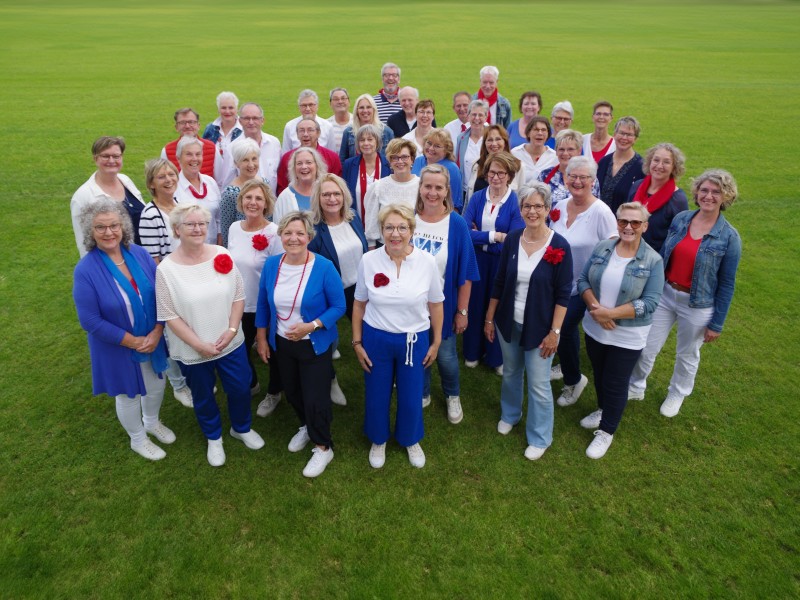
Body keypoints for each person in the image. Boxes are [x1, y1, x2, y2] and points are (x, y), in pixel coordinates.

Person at [156, 204, 265, 467]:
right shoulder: (166, 270)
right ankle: (213, 437)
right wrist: (198, 344)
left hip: (230, 341)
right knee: (203, 395)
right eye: (190, 224)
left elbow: (239, 296)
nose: (197, 229)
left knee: (240, 387)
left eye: (202, 224)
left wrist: (230, 331)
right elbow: (169, 315)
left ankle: (240, 427)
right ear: (176, 230)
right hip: (194, 348)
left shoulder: (221, 253)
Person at [629, 170, 742, 418]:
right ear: (696, 192)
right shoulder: (681, 219)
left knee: (687, 353)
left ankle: (677, 392)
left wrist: (717, 323)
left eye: (715, 192)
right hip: (667, 294)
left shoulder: (729, 237)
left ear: (725, 197)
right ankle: (636, 385)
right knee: (646, 346)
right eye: (704, 190)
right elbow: (664, 257)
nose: (708, 196)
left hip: (698, 304)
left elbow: (727, 283)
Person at [73, 199, 173, 461]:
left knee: (155, 386)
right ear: (90, 232)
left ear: (123, 226)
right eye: (100, 227)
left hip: (152, 337)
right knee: (128, 394)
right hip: (116, 345)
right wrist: (133, 341)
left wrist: (157, 331)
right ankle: (137, 439)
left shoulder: (139, 254)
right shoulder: (86, 270)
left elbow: (161, 295)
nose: (108, 232)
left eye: (114, 225)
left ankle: (152, 422)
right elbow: (90, 320)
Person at [352, 204, 444, 469]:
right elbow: (359, 303)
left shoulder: (426, 261)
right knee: (377, 391)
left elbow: (436, 304)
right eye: (389, 227)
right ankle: (378, 439)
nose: (395, 234)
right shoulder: (369, 260)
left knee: (411, 392)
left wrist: (436, 342)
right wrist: (357, 342)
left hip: (413, 340)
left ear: (411, 231)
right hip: (376, 338)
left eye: (402, 227)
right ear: (381, 231)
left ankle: (410, 438)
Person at [484, 183, 572, 460]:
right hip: (508, 321)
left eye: (538, 206)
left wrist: (555, 332)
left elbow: (563, 294)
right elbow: (499, 282)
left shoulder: (559, 246)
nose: (532, 211)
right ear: (520, 209)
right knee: (511, 372)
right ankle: (510, 414)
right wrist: (489, 318)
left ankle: (540, 436)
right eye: (527, 206)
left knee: (538, 383)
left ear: (547, 209)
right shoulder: (512, 238)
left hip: (541, 328)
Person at [256, 211, 346, 478]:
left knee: (315, 397)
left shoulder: (324, 266)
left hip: (313, 344)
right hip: (282, 343)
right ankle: (307, 426)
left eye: (299, 233)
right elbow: (263, 303)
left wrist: (312, 325)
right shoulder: (272, 265)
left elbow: (339, 306)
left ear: (309, 237)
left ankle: (323, 446)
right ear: (281, 235)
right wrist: (261, 338)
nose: (293, 238)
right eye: (288, 233)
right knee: (293, 391)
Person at [576, 202, 664, 459]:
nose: (628, 227)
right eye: (623, 221)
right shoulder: (604, 247)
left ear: (644, 227)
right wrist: (596, 309)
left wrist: (610, 314)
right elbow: (583, 280)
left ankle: (606, 431)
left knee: (616, 382)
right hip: (595, 327)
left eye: (635, 223)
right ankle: (604, 409)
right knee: (601, 374)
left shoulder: (653, 260)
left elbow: (650, 303)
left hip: (627, 334)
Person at [549, 156, 618, 405]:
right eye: (572, 176)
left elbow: (614, 248)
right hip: (556, 282)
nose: (577, 181)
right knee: (557, 328)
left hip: (582, 285)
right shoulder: (560, 205)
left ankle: (574, 380)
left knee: (564, 328)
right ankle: (563, 365)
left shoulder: (600, 212)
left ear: (593, 181)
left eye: (583, 177)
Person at [412, 165, 479, 424]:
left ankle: (452, 395)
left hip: (444, 304)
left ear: (447, 190)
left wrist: (462, 311)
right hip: (412, 306)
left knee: (447, 357)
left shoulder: (457, 223)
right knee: (419, 352)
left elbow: (467, 272)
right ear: (420, 188)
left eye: (438, 187)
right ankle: (424, 392)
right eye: (427, 186)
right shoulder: (409, 218)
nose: (432, 192)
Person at [137, 158, 194, 408]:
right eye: (162, 177)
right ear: (151, 184)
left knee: (189, 329)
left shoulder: (180, 206)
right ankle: (179, 385)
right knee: (171, 335)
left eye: (171, 174)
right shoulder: (150, 215)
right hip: (169, 284)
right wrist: (176, 286)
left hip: (188, 278)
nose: (169, 180)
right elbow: (153, 261)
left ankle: (191, 376)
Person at [462, 152, 525, 375]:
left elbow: (514, 238)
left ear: (509, 176)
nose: (495, 177)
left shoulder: (515, 201)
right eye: (491, 172)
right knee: (475, 304)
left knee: (497, 307)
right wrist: (495, 236)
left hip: (502, 263)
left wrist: (483, 236)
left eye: (500, 173)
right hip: (478, 261)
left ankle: (496, 356)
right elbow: (464, 231)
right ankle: (472, 352)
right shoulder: (478, 197)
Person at [308, 174, 368, 399]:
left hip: (359, 289)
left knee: (367, 332)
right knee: (328, 341)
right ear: (318, 198)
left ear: (344, 195)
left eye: (336, 193)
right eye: (326, 194)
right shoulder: (314, 229)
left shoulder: (353, 218)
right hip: (331, 293)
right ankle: (331, 380)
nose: (332, 199)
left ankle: (377, 369)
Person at [227, 180, 283, 406]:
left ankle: (275, 392)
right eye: (248, 197)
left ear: (266, 203)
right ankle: (251, 383)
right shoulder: (233, 228)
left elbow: (279, 273)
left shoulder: (274, 232)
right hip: (236, 303)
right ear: (241, 201)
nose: (253, 202)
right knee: (238, 349)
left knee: (272, 351)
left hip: (262, 304)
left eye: (258, 198)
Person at [71, 136, 146, 257]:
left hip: (142, 255)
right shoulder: (83, 196)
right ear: (95, 159)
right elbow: (83, 243)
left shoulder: (125, 180)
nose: (111, 160)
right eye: (105, 156)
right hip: (114, 262)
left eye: (116, 156)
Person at [627, 142, 689, 252]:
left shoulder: (678, 200)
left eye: (666, 162)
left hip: (655, 259)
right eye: (656, 160)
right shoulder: (636, 186)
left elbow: (678, 239)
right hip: (628, 249)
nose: (659, 166)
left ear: (674, 167)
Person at [363, 138, 420, 248]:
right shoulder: (378, 187)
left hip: (414, 247)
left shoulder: (422, 186)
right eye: (395, 157)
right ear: (389, 161)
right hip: (385, 247)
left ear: (412, 159)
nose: (400, 161)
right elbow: (371, 225)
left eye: (404, 157)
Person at [173, 136, 222, 245]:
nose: (194, 159)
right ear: (178, 158)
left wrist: (219, 246)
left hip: (211, 250)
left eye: (198, 154)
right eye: (189, 154)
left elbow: (219, 219)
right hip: (185, 251)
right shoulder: (173, 187)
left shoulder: (211, 183)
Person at [222, 102, 280, 191]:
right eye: (247, 118)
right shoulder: (232, 148)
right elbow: (226, 184)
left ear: (262, 120)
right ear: (240, 121)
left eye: (255, 118)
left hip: (272, 202)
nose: (251, 122)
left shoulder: (274, 143)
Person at [218, 138, 266, 247]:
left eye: (254, 159)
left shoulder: (265, 184)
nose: (251, 165)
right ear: (236, 163)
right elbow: (226, 232)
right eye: (245, 160)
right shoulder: (230, 194)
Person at [342, 124, 391, 225]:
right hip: (356, 223)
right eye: (362, 140)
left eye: (370, 139)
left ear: (377, 142)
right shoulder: (349, 165)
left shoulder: (389, 164)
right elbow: (345, 195)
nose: (366, 143)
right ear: (357, 143)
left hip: (383, 224)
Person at [276, 119, 341, 194]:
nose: (305, 134)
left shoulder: (332, 157)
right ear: (297, 134)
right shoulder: (287, 158)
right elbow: (282, 187)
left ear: (318, 133)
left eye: (310, 130)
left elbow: (337, 186)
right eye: (302, 130)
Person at [161, 107, 224, 185]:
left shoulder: (212, 148)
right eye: (182, 123)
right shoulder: (167, 150)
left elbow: (220, 181)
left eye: (191, 122)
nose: (187, 126)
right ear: (176, 127)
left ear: (198, 125)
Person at [537, 129, 599, 208]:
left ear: (579, 151)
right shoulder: (544, 176)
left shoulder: (589, 177)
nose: (565, 153)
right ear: (556, 151)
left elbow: (595, 207)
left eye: (570, 149)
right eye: (561, 149)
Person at [464, 124, 525, 202]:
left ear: (505, 142)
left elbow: (521, 199)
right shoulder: (477, 165)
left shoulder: (518, 166)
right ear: (484, 143)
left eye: (498, 139)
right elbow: (468, 199)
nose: (494, 144)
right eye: (490, 140)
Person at [597, 116, 644, 213]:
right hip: (598, 221)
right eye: (621, 133)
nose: (624, 138)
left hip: (624, 224)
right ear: (614, 134)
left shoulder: (642, 167)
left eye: (629, 135)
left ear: (635, 139)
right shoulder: (603, 162)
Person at [411, 129, 463, 212]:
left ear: (447, 150)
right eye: (429, 143)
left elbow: (455, 204)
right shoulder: (418, 161)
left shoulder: (452, 169)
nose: (431, 148)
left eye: (437, 146)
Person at [273, 147, 327, 224]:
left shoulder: (326, 191)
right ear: (294, 168)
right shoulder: (285, 197)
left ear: (317, 165)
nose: (304, 167)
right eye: (299, 163)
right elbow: (278, 227)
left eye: (308, 162)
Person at [338, 94, 394, 163]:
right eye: (361, 107)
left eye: (368, 107)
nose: (365, 111)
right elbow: (342, 161)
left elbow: (393, 159)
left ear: (374, 110)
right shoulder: (348, 132)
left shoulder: (387, 132)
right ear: (357, 111)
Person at [455, 100, 490, 198]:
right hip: (466, 191)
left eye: (480, 115)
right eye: (473, 114)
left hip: (486, 191)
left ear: (486, 117)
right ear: (468, 116)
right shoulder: (461, 138)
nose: (477, 118)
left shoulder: (491, 139)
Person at [511, 116, 558, 186]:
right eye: (536, 129)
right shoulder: (515, 154)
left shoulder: (555, 157)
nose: (540, 133)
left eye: (543, 130)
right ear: (528, 133)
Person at [202, 91, 243, 162]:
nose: (227, 111)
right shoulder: (210, 129)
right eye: (223, 108)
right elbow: (203, 153)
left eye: (231, 108)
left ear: (237, 109)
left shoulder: (245, 129)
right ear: (218, 110)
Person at [327, 87, 352, 154]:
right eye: (336, 99)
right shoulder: (326, 125)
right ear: (330, 104)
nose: (340, 101)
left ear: (349, 102)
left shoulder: (358, 122)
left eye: (343, 98)